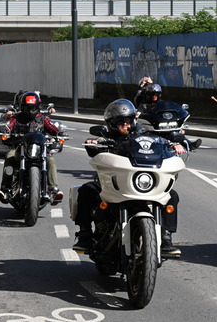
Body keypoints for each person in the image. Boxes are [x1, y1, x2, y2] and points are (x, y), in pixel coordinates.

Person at [73, 99, 183, 257]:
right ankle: (85, 234)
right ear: (112, 124)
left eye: (128, 121)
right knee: (85, 191)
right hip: (112, 185)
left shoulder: (143, 137)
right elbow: (95, 146)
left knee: (171, 196)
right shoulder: (106, 138)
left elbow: (160, 143)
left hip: (138, 183)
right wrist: (93, 144)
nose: (126, 125)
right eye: (120, 122)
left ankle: (165, 237)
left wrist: (173, 146)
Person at [0, 91, 63, 205]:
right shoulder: (16, 118)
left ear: (37, 107)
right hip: (20, 148)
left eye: (33, 107)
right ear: (22, 107)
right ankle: (5, 189)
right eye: (27, 107)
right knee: (9, 156)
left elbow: (53, 129)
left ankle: (53, 190)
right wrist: (6, 132)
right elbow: (9, 128)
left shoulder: (43, 119)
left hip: (39, 149)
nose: (30, 110)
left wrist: (58, 132)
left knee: (50, 160)